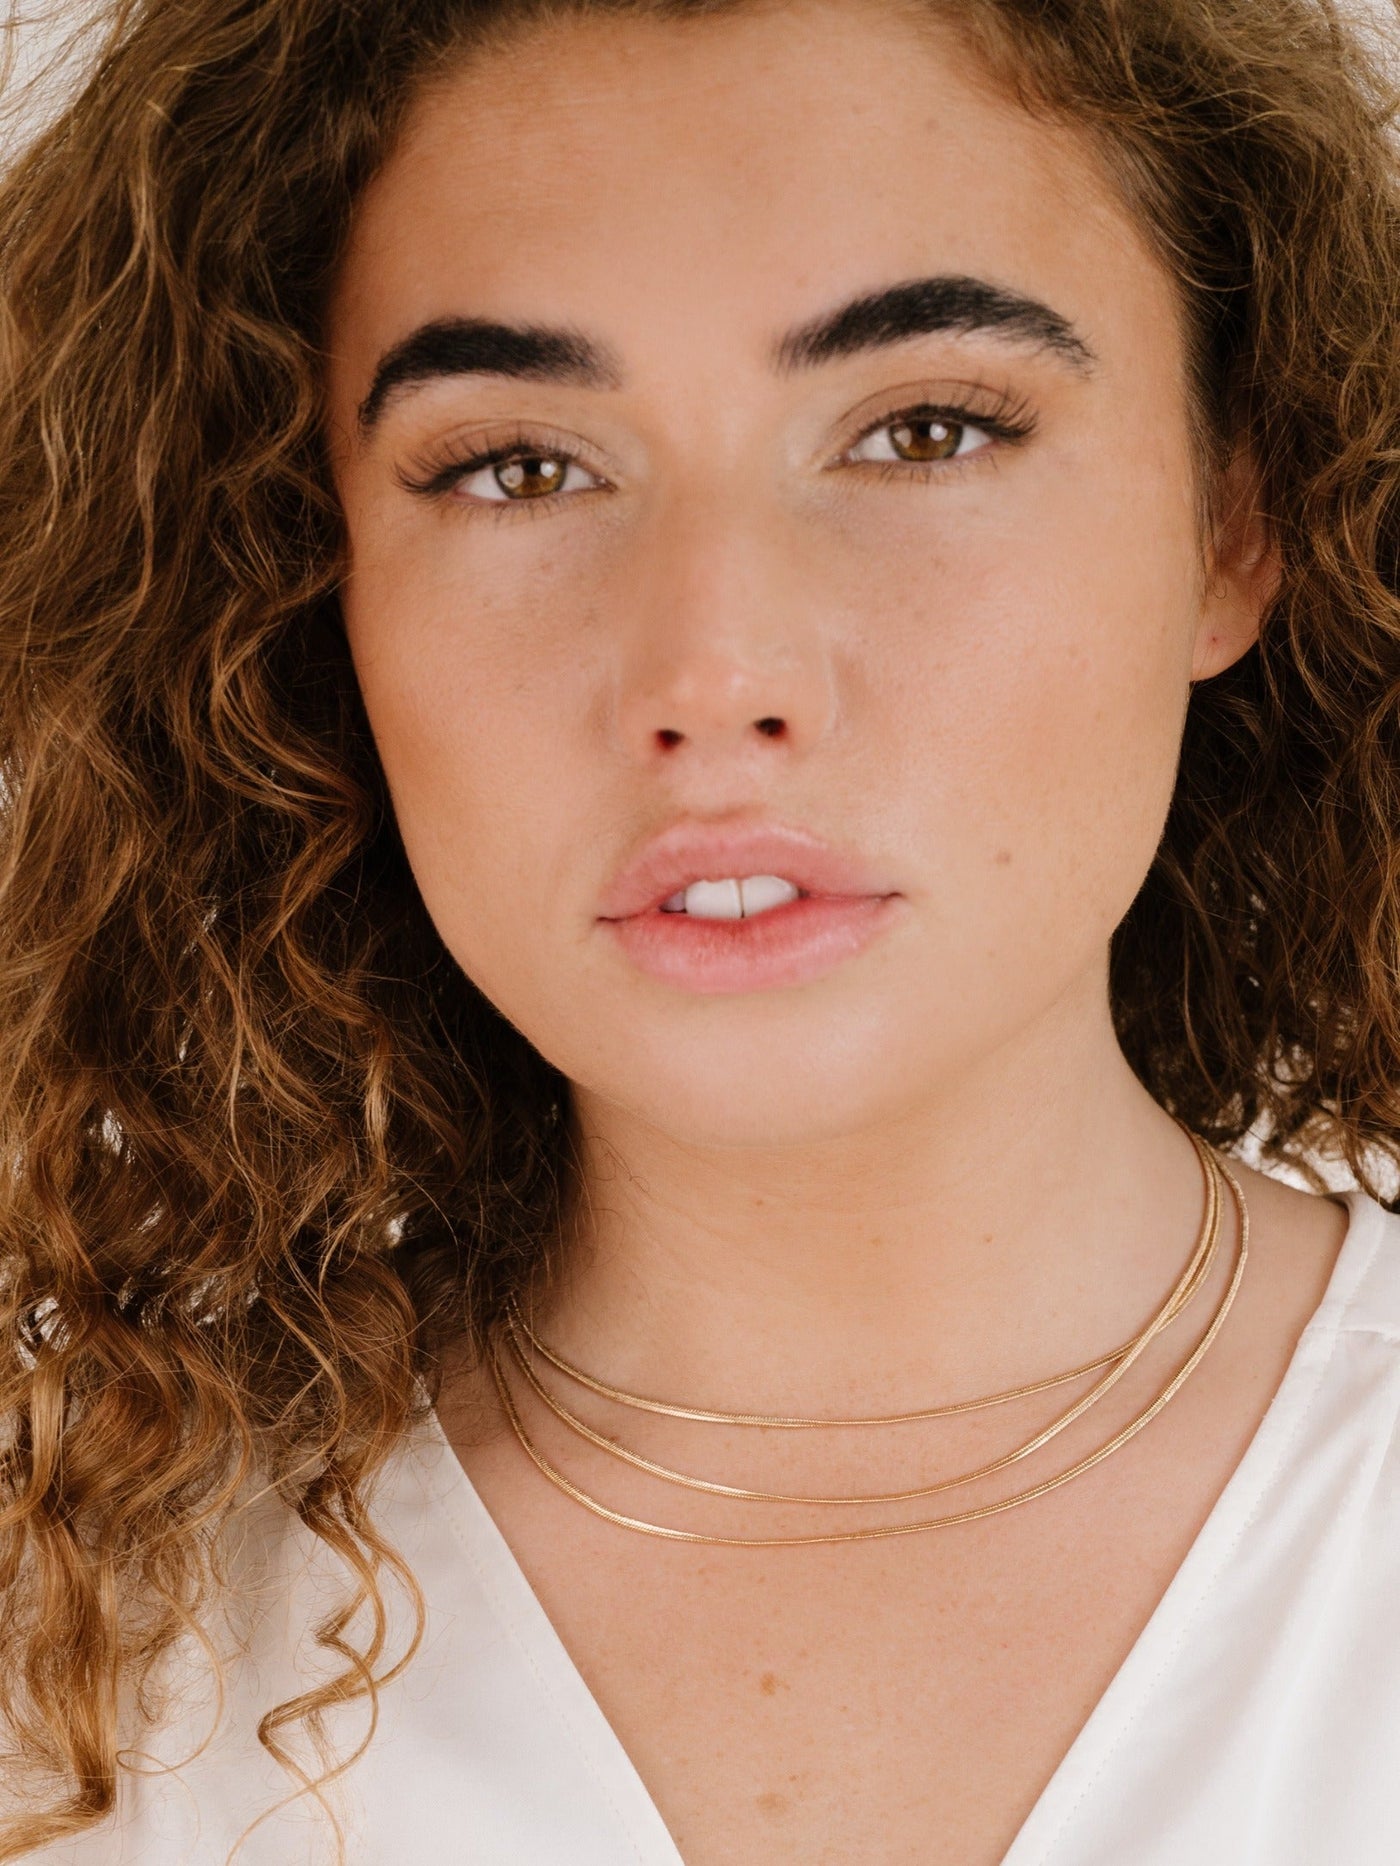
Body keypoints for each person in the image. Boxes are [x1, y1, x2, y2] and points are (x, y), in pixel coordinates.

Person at [2, 0, 1400, 1859]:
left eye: (925, 428)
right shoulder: (72, 1638)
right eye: (516, 466)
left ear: (1236, 522)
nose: (717, 670)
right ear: (307, 583)